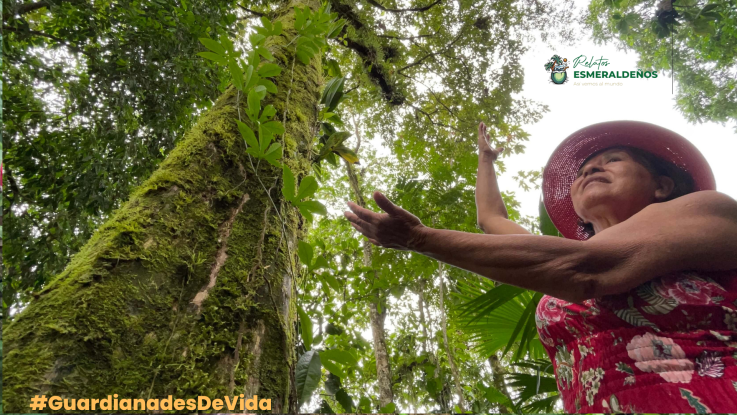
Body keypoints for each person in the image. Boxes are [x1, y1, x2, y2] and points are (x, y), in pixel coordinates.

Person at [344, 120, 737, 412]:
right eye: (583, 171)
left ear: (663, 185)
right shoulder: (562, 252)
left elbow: (587, 271)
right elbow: (491, 221)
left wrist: (419, 239)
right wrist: (486, 159)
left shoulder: (707, 210)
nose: (590, 170)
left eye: (611, 160)